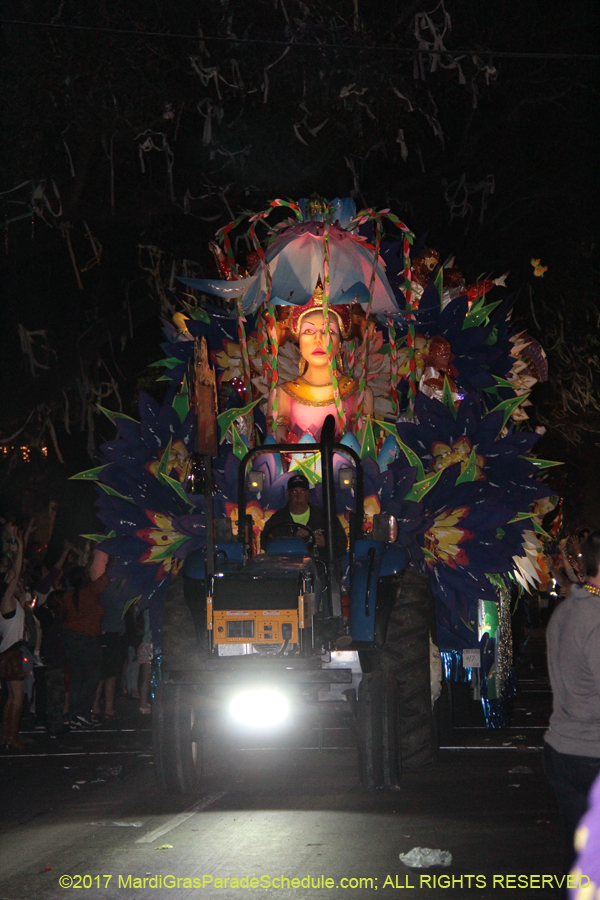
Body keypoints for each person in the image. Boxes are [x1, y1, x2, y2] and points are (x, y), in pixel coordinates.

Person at [544, 529, 600, 874]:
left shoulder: (566, 611)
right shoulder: (595, 618)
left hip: (562, 749)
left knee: (581, 859)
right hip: (592, 752)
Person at [266, 283, 373, 443]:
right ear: (299, 340)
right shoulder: (282, 394)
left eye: (329, 331)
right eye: (309, 331)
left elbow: (365, 449)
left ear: (339, 342)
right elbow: (274, 450)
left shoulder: (359, 393)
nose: (319, 339)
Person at [61, 550, 108, 729]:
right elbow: (106, 577)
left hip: (70, 637)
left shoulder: (67, 596)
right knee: (91, 676)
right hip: (86, 638)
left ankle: (75, 715)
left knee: (76, 677)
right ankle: (82, 712)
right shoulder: (91, 591)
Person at [261, 473, 347, 561]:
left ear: (308, 493)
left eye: (302, 491)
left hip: (319, 569)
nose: (298, 497)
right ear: (288, 493)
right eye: (294, 492)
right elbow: (265, 542)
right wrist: (292, 539)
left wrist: (326, 543)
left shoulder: (324, 517)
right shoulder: (278, 519)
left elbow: (342, 546)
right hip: (287, 569)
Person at [0, 528, 26, 750]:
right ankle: (12, 737)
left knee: (10, 697)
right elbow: (16, 572)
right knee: (17, 698)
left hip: (7, 653)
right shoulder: (6, 600)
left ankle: (6, 736)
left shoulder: (12, 602)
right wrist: (20, 546)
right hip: (12, 653)